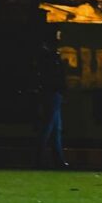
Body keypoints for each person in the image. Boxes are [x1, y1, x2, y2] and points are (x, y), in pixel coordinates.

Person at [36, 40, 69, 168]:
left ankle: (56, 159)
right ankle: (47, 159)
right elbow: (58, 77)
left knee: (54, 129)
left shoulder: (46, 59)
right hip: (53, 93)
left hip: (52, 93)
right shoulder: (52, 59)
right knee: (50, 128)